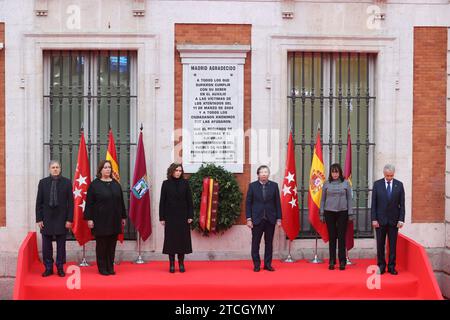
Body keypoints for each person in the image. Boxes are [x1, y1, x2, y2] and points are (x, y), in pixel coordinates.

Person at [84, 160, 127, 276]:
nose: (108, 169)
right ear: (100, 170)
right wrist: (89, 219)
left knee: (112, 245)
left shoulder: (116, 184)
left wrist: (123, 216)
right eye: (105, 167)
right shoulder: (94, 185)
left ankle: (110, 266)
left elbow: (121, 202)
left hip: (114, 219)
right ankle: (102, 267)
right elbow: (89, 204)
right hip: (100, 220)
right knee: (102, 245)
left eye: (109, 167)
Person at [35, 160, 74, 277]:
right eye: (53, 167)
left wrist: (69, 220)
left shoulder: (67, 183)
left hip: (62, 219)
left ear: (60, 169)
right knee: (46, 246)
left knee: (61, 246)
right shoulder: (43, 183)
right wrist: (39, 219)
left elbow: (71, 203)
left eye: (57, 167)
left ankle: (60, 267)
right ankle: (48, 268)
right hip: (46, 219)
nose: (55, 169)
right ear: (49, 169)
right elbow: (39, 202)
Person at [246, 165, 282, 272]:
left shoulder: (274, 186)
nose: (264, 174)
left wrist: (279, 218)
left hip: (270, 219)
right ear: (258, 174)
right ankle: (256, 264)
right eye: (262, 172)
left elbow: (277, 203)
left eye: (266, 172)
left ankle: (267, 264)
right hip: (257, 219)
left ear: (268, 174)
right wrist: (249, 218)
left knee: (269, 243)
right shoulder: (252, 186)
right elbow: (248, 203)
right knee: (255, 243)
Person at [371, 164, 405, 275]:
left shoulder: (399, 185)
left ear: (393, 174)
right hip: (380, 221)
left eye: (391, 176)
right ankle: (381, 265)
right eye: (387, 176)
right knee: (380, 245)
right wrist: (374, 219)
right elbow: (374, 204)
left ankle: (391, 266)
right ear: (384, 174)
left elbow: (402, 205)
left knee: (393, 245)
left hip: (394, 221)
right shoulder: (377, 184)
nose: (389, 178)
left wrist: (401, 219)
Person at [159, 163, 193, 273]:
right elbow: (162, 202)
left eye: (180, 170)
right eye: (176, 170)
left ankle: (181, 263)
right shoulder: (166, 184)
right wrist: (162, 217)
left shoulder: (185, 183)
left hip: (183, 217)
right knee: (171, 241)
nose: (178, 172)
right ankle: (172, 264)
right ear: (171, 171)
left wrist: (190, 216)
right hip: (170, 217)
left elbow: (189, 201)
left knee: (182, 240)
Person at [320, 163, 352, 271]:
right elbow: (323, 199)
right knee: (332, 237)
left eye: (336, 172)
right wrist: (321, 213)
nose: (335, 174)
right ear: (330, 173)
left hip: (343, 212)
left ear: (340, 172)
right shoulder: (326, 184)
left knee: (341, 238)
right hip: (329, 212)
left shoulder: (346, 183)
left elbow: (349, 199)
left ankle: (342, 261)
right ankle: (332, 261)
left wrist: (350, 213)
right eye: (333, 172)